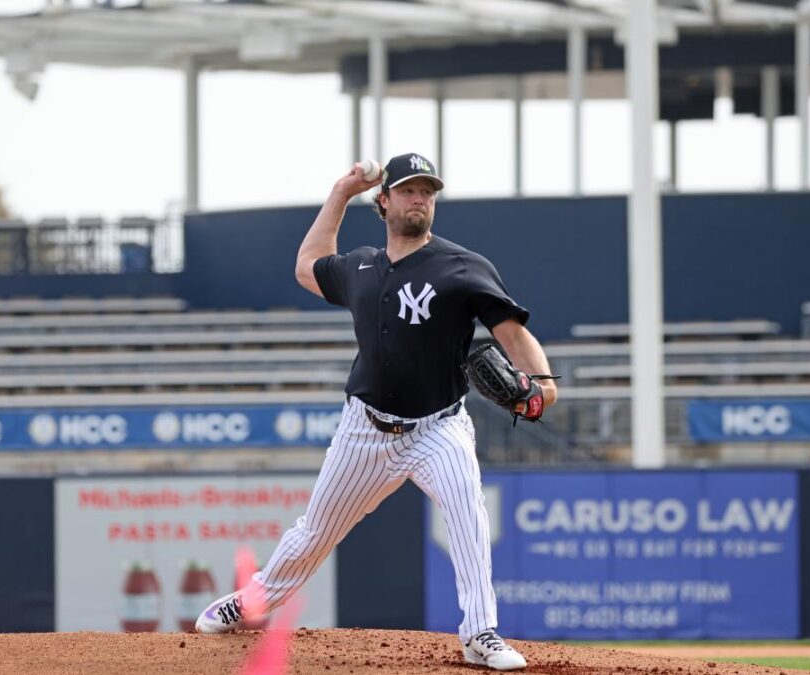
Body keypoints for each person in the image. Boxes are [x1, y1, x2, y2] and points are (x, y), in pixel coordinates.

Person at [195, 153, 557, 672]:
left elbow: (513, 334)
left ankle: (480, 633)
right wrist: (340, 192)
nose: (419, 199)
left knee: (468, 515)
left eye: (428, 191)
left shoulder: (462, 266)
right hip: (365, 430)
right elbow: (306, 267)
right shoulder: (361, 266)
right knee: (314, 533)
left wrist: (543, 386)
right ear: (383, 201)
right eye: (408, 190)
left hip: (439, 425)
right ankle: (252, 601)